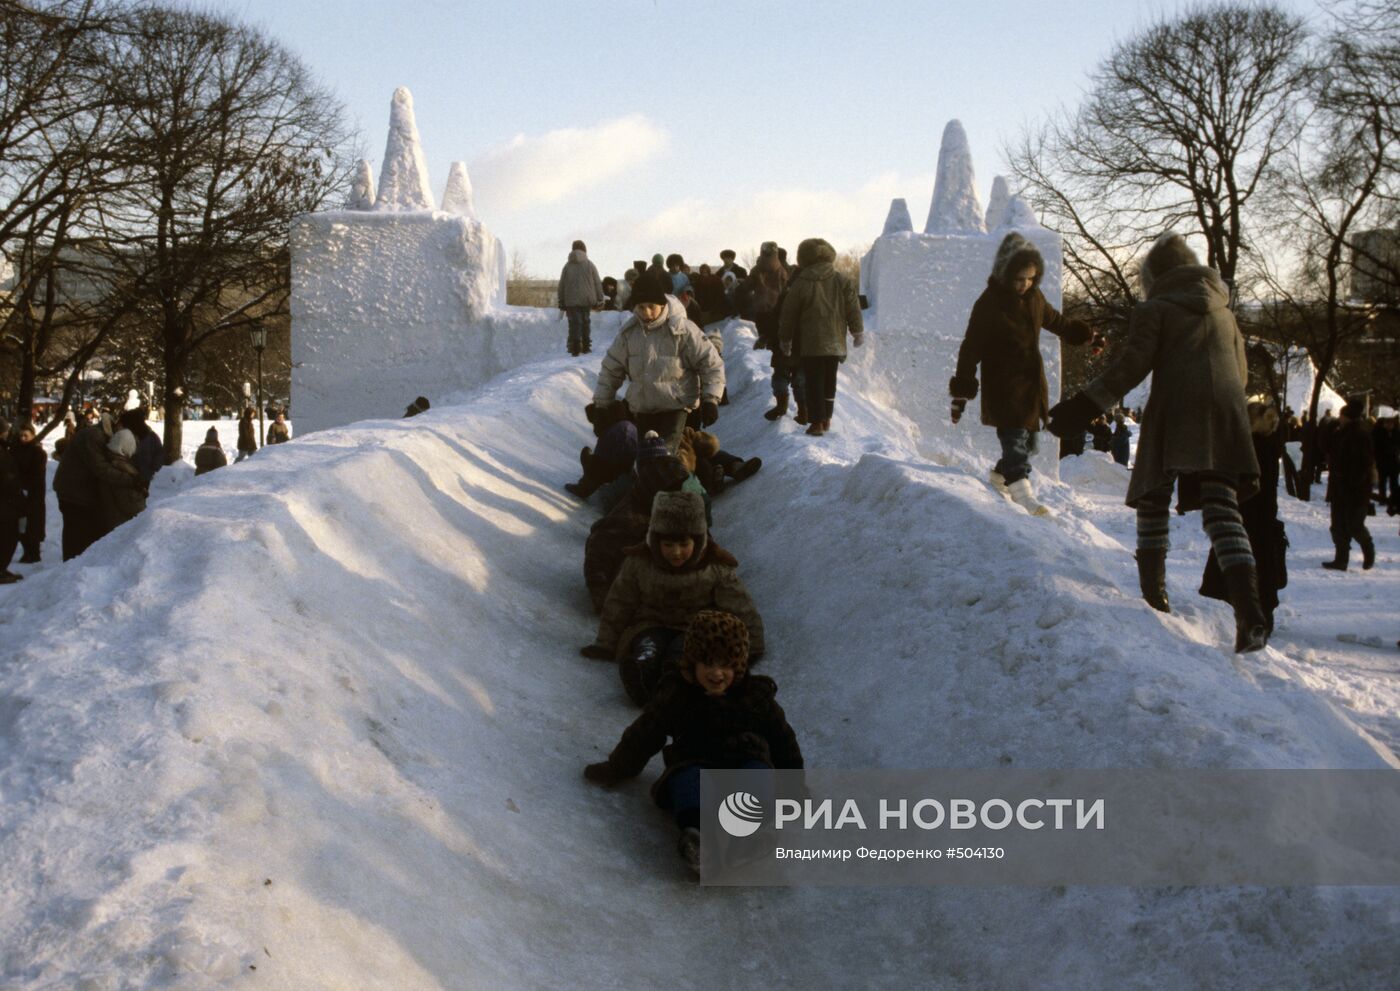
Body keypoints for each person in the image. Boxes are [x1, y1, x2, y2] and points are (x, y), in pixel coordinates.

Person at [1048, 231, 1267, 653]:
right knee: (1222, 507)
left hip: (1176, 408)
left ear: (1155, 275)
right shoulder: (1225, 310)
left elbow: (1133, 364)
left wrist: (1083, 405)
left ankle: (1154, 596)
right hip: (1225, 411)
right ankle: (1250, 610)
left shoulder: (1156, 308)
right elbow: (1240, 372)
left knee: (1153, 493)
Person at [583, 609, 802, 877]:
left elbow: (782, 737)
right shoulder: (678, 693)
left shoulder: (755, 696)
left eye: (726, 665)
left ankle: (746, 840)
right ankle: (699, 840)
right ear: (691, 662)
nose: (717, 673)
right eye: (708, 664)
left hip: (746, 758)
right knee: (687, 782)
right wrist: (617, 767)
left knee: (758, 778)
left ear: (739, 665)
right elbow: (647, 731)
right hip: (695, 759)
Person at [950, 231, 1103, 515]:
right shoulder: (989, 303)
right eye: (1019, 278)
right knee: (1015, 439)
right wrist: (961, 394)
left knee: (1030, 445)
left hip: (1031, 383)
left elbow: (1058, 321)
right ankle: (1022, 491)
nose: (1025, 284)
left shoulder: (1035, 298)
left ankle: (999, 477)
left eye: (1031, 278)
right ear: (1005, 274)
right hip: (1004, 384)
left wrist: (1088, 337)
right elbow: (970, 348)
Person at [579, 489, 764, 708]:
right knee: (648, 649)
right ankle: (640, 677)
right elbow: (619, 602)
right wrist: (606, 644)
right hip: (648, 624)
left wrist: (752, 648)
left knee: (680, 656)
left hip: (693, 629)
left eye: (684, 545)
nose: (676, 553)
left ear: (698, 541)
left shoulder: (715, 567)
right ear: (655, 541)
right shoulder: (639, 562)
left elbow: (741, 607)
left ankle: (673, 686)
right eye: (668, 545)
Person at [592, 271, 725, 452]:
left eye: (651, 306)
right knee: (646, 458)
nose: (646, 312)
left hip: (677, 407)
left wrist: (711, 399)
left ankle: (703, 471)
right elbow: (610, 370)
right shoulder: (629, 334)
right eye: (640, 307)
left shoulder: (683, 331)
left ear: (662, 305)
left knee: (664, 453)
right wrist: (601, 406)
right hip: (645, 409)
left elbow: (710, 363)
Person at [1200, 399, 1288, 634]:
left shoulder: (1252, 445)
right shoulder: (1270, 442)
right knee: (1262, 572)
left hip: (1245, 514)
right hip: (1263, 517)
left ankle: (1225, 619)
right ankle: (1260, 619)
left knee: (1233, 564)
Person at [583, 433, 696, 612]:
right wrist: (602, 596)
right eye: (671, 490)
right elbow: (597, 553)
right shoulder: (628, 517)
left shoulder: (672, 508)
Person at [778, 238, 864, 438]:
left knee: (814, 381)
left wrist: (785, 338)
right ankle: (826, 419)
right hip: (835, 340)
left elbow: (788, 313)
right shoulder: (841, 280)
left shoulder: (801, 282)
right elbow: (853, 308)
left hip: (811, 341)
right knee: (829, 381)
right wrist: (857, 331)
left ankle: (816, 421)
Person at [52, 411, 116, 559]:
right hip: (73, 492)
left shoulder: (95, 435)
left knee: (76, 530)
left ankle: (74, 562)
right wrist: (128, 478)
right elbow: (100, 467)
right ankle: (71, 565)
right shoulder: (94, 437)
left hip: (75, 490)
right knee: (75, 532)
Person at [1321, 398, 1376, 572]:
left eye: (1342, 415)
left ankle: (1368, 550)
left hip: (1355, 488)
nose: (1340, 418)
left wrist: (1354, 482)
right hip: (1338, 486)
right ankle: (1341, 559)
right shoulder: (1339, 433)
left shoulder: (1360, 434)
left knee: (1354, 524)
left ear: (1348, 417)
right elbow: (1325, 447)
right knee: (1337, 525)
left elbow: (1364, 463)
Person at [558, 239, 604, 356]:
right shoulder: (590, 264)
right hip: (587, 299)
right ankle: (586, 345)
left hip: (571, 300)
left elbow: (562, 285)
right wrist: (600, 298)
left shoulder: (567, 266)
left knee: (574, 323)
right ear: (584, 250)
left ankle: (575, 346)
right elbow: (597, 282)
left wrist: (561, 301)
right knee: (585, 321)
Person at [98, 428, 148, 531]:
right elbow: (133, 506)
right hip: (121, 526)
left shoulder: (108, 463)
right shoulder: (122, 469)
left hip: (114, 522)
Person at [12, 423, 47, 563]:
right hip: (19, 493)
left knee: (32, 524)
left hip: (33, 494)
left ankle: (34, 553)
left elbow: (36, 474)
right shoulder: (15, 450)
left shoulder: (38, 453)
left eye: (26, 435)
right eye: (21, 435)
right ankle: (28, 551)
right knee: (21, 525)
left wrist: (24, 485)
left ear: (32, 435)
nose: (23, 438)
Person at [0, 420, 22, 582]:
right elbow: (7, 478)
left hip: (6, 501)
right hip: (5, 502)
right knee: (7, 536)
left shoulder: (4, 449)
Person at [119, 407, 163, 485]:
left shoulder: (150, 436)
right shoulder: (125, 435)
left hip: (144, 475)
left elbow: (159, 452)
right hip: (128, 477)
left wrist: (152, 468)